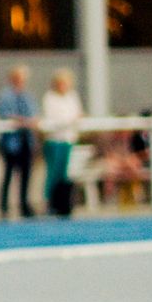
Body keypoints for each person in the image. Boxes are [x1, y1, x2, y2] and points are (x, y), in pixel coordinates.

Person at [0, 65, 38, 217]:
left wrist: (28, 121)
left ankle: (24, 204)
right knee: (8, 173)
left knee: (26, 175)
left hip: (26, 140)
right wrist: (20, 120)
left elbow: (33, 115)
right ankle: (4, 205)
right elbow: (5, 114)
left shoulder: (27, 96)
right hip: (11, 142)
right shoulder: (5, 96)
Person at [40, 68, 83, 213]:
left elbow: (77, 114)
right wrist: (68, 121)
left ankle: (62, 203)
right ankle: (49, 202)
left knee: (65, 173)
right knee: (53, 173)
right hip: (54, 140)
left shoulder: (72, 97)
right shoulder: (50, 98)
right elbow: (54, 118)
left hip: (68, 139)